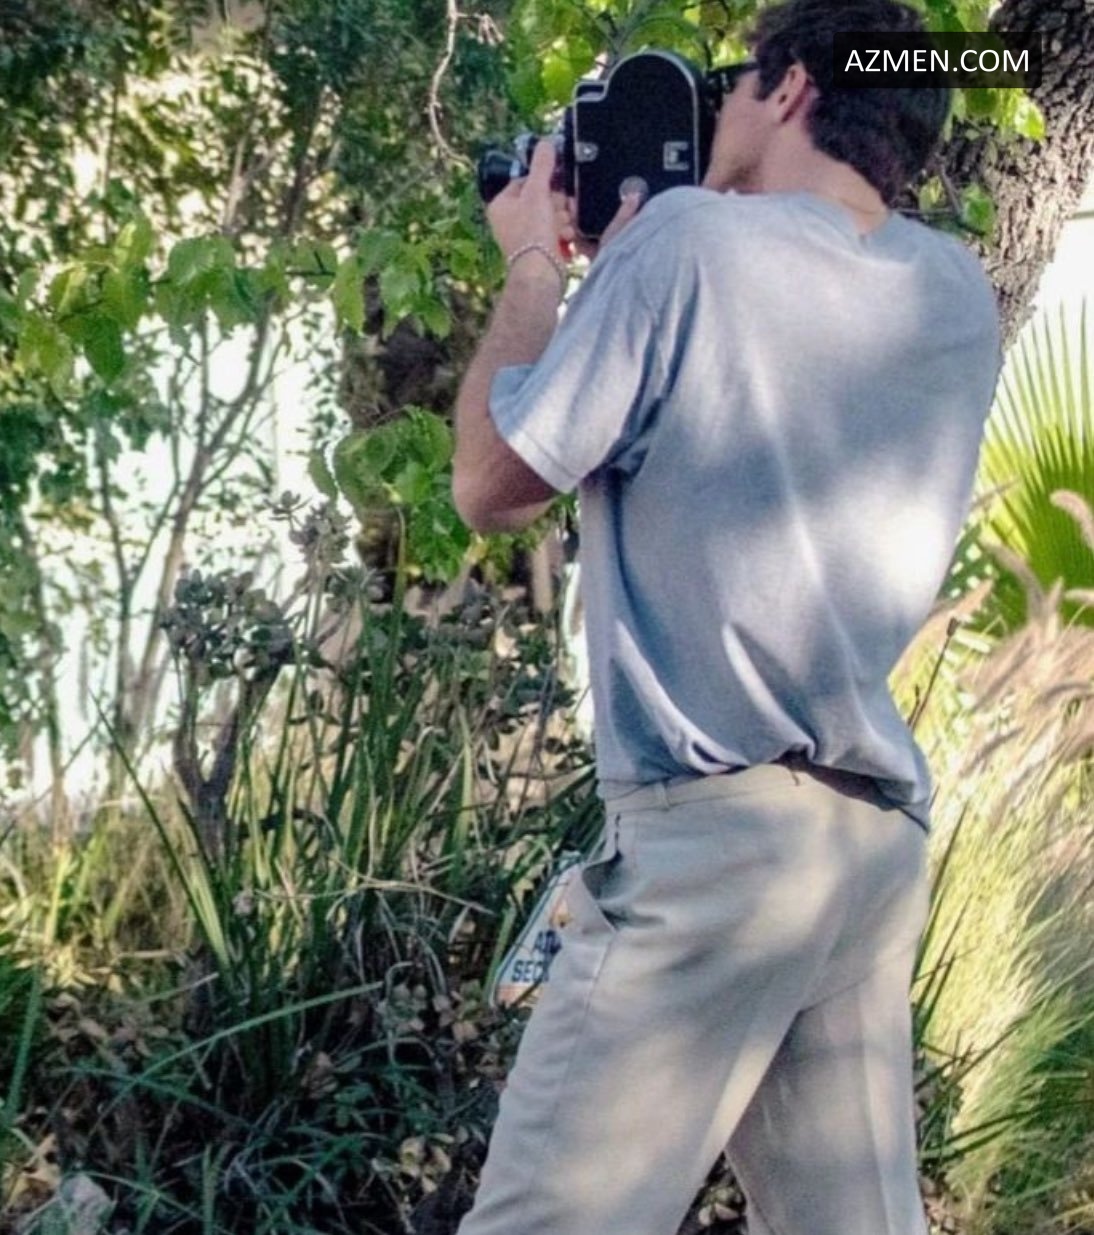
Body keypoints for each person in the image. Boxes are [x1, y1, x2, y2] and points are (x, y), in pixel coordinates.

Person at [451, 1, 1002, 1232]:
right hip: (863, 852)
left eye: (739, 81)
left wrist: (537, 262)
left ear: (792, 86)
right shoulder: (953, 292)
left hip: (714, 850)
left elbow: (490, 484)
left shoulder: (686, 243)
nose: (719, 109)